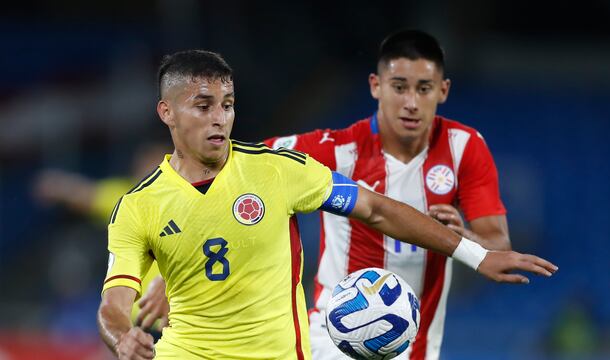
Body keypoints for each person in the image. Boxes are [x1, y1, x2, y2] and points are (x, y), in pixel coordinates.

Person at [96, 49, 557, 360]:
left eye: (228, 104)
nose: (220, 118)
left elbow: (376, 209)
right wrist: (123, 337)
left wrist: (476, 254)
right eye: (203, 105)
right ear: (167, 113)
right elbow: (114, 304)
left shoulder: (277, 170)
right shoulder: (138, 206)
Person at [263, 30, 512, 359]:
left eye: (423, 89)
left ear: (443, 90)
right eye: (399, 87)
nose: (411, 102)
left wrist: (462, 235)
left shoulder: (464, 148)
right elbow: (244, 164)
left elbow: (498, 248)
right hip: (334, 341)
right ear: (375, 86)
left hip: (418, 348)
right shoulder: (338, 150)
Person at [34, 143, 170, 333]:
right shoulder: (127, 198)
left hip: (173, 320)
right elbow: (86, 194)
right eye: (144, 165)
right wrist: (57, 185)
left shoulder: (186, 203)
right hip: (136, 319)